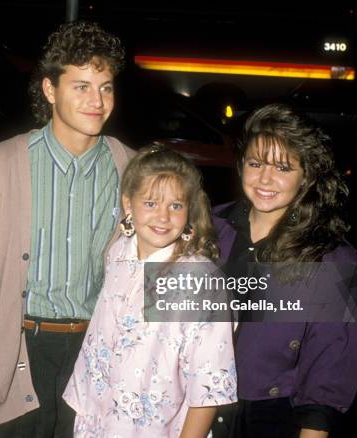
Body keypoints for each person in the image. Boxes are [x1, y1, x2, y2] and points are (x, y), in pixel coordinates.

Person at [0, 20, 135, 437]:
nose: (97, 100)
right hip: (14, 348)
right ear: (50, 90)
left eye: (106, 86)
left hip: (94, 351)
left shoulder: (132, 168)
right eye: (81, 86)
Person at [212, 103, 357, 437]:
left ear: (306, 175)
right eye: (255, 163)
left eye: (283, 167)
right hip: (196, 408)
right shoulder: (209, 227)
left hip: (272, 419)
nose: (265, 179)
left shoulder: (336, 259)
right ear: (240, 165)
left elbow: (329, 375)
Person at [63, 145, 238, 437]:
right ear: (128, 204)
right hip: (98, 423)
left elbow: (209, 387)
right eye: (151, 203)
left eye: (176, 206)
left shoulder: (198, 280)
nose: (163, 216)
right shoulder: (118, 252)